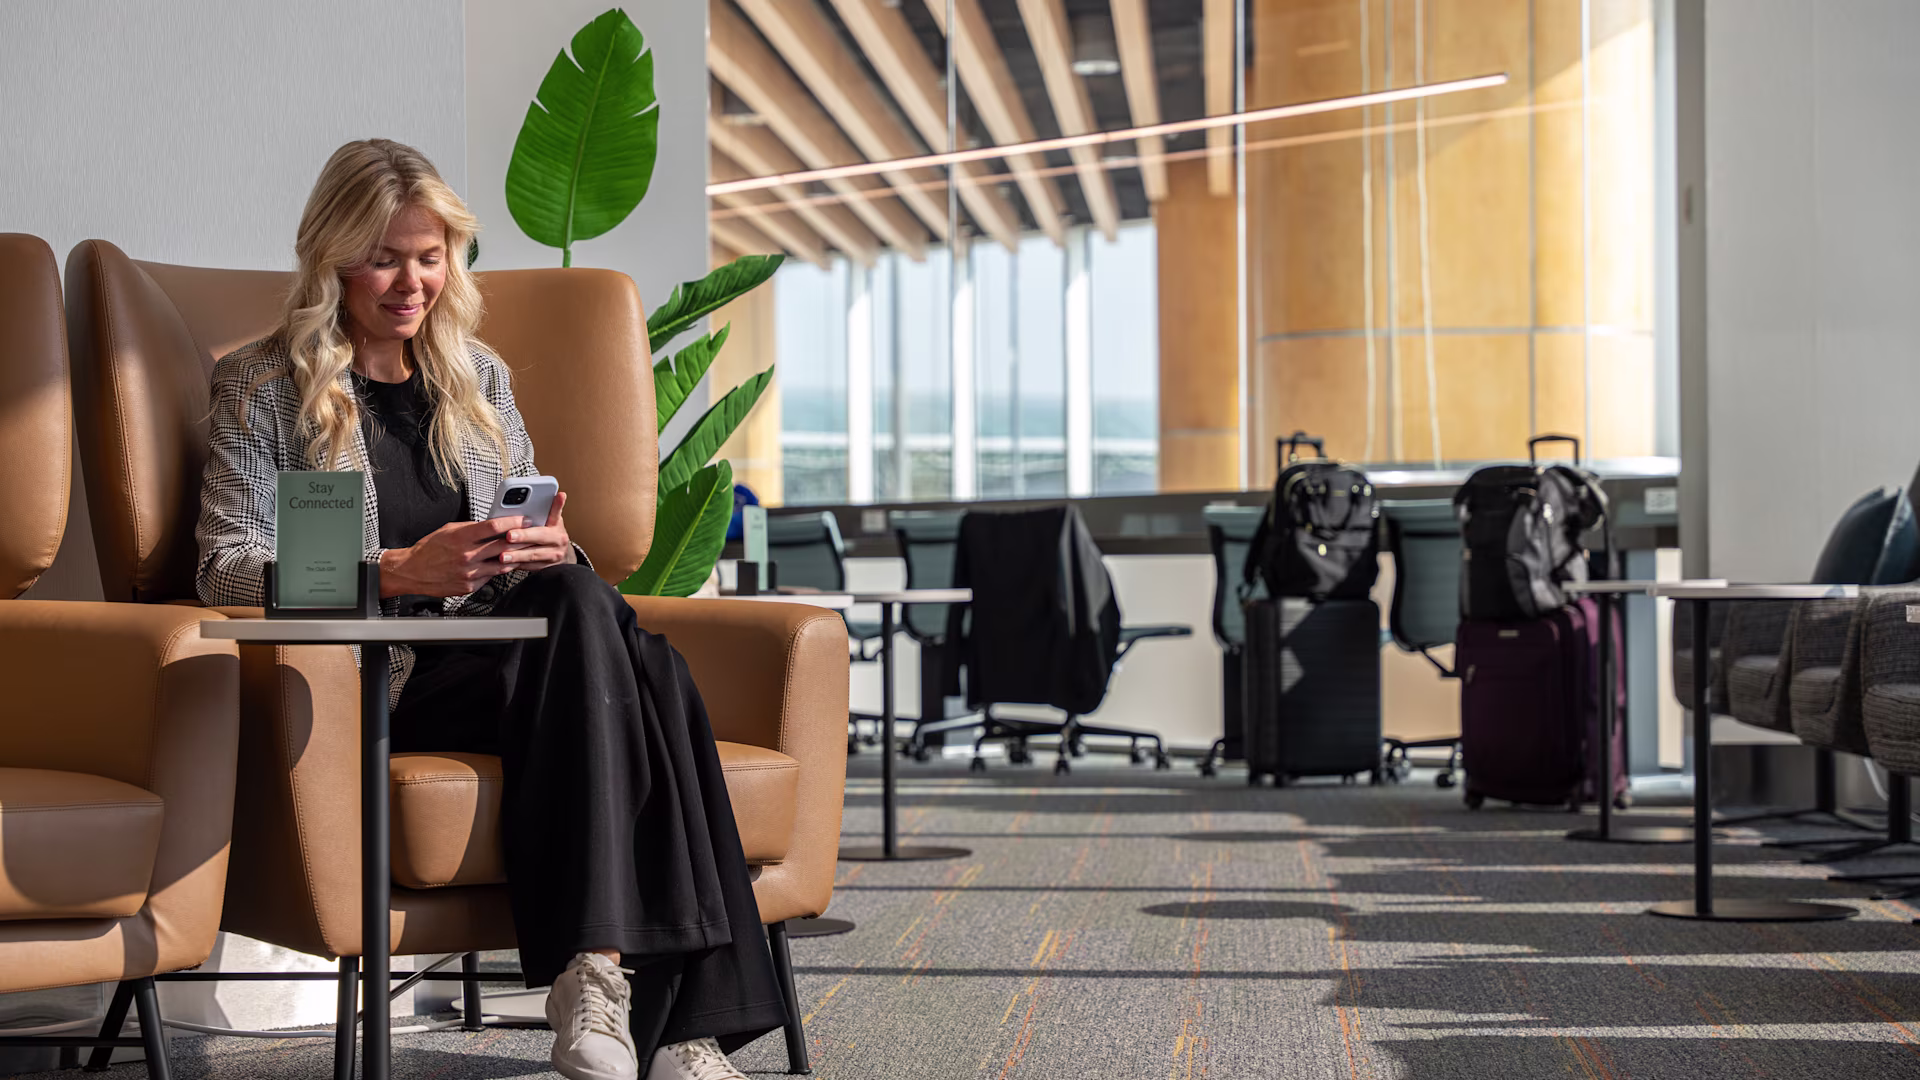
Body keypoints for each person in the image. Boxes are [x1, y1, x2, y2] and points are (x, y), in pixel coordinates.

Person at [194, 138, 783, 1080]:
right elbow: (226, 570)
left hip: (512, 658)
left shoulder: (480, 377)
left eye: (431, 257)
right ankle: (670, 1022)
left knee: (582, 594)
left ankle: (598, 980)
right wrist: (392, 570)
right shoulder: (262, 387)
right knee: (655, 675)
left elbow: (531, 539)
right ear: (333, 256)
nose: (411, 282)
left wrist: (553, 547)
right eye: (385, 256)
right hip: (383, 674)